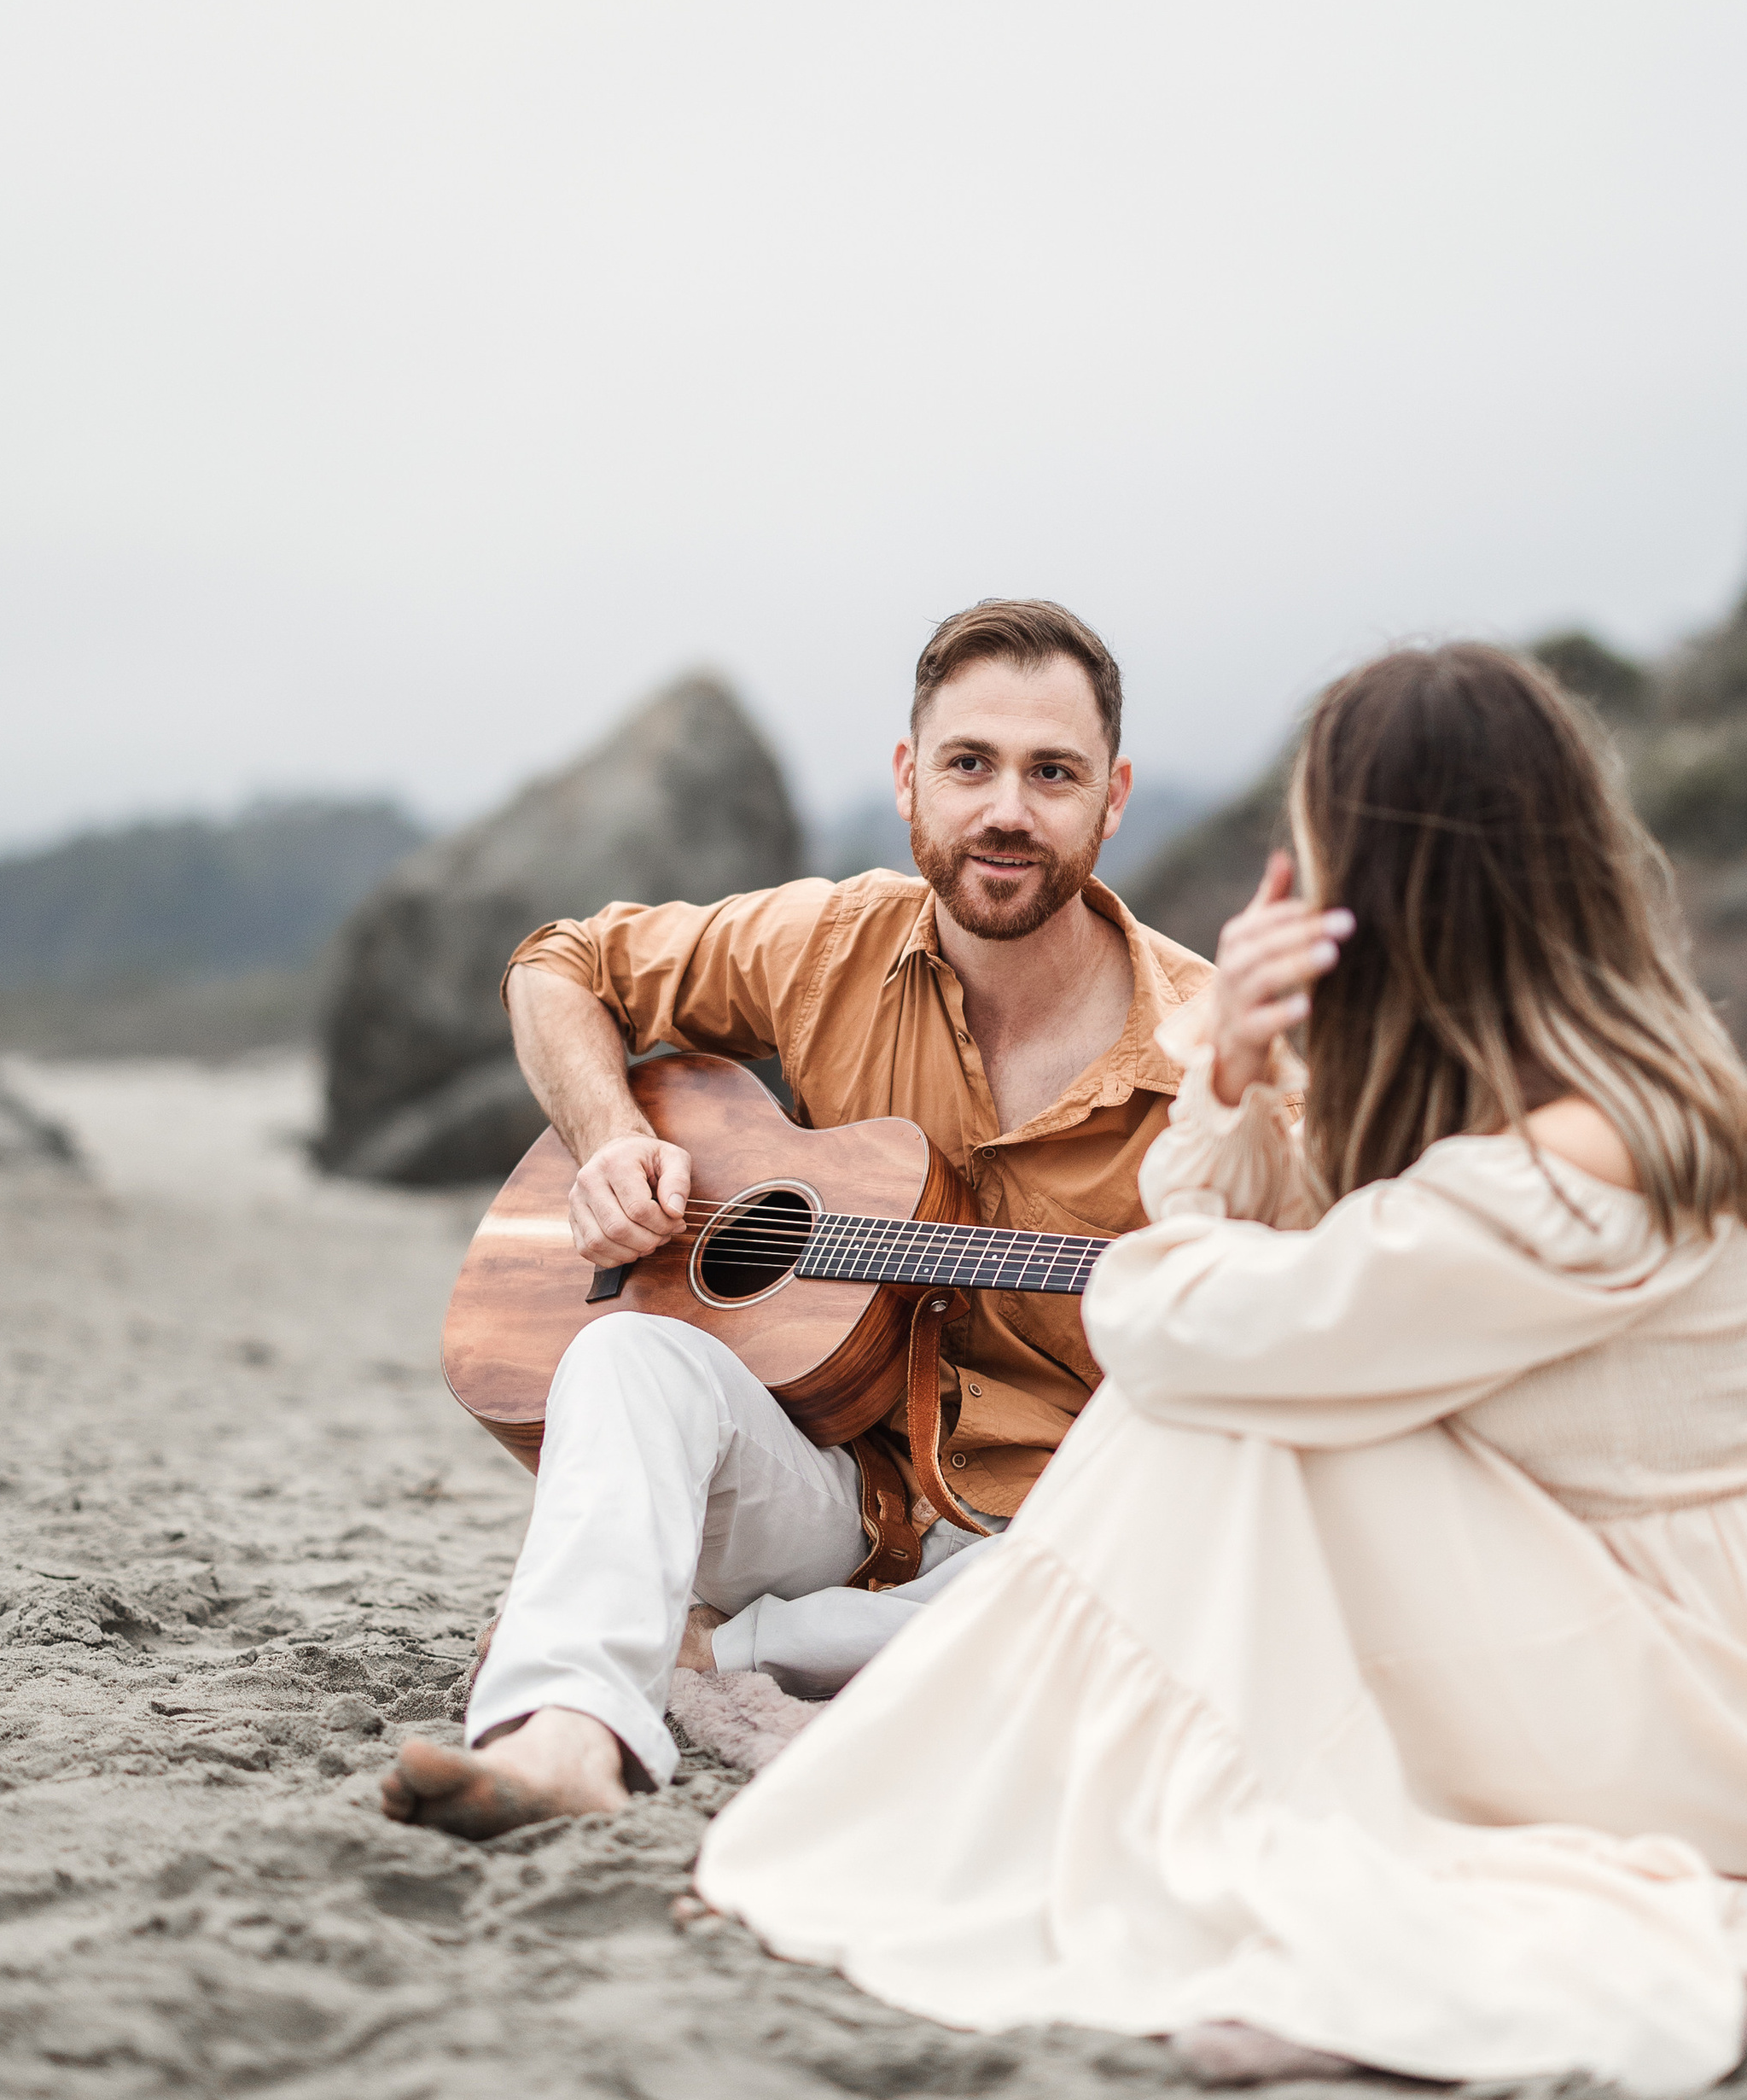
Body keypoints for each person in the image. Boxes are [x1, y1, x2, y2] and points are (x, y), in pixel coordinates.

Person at [694, 642, 1747, 2097]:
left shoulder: (1594, 1153)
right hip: (1582, 1607)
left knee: (1214, 1416)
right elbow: (1242, 1274)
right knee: (1228, 1402)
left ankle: (958, 1729)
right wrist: (1240, 1070)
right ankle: (941, 1706)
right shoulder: (1491, 1075)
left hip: (1701, 1715)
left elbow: (1193, 1322)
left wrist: (1194, 1250)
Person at [381, 597, 1211, 1840]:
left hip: (1037, 1535)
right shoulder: (827, 944)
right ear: (907, 779)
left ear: (1115, 796)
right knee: (624, 1353)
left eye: (1053, 773)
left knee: (1155, 1583)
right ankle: (562, 1736)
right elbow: (562, 964)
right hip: (819, 1490)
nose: (1006, 811)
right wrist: (613, 1143)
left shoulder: (1214, 1056)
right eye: (969, 764)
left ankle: (721, 1652)